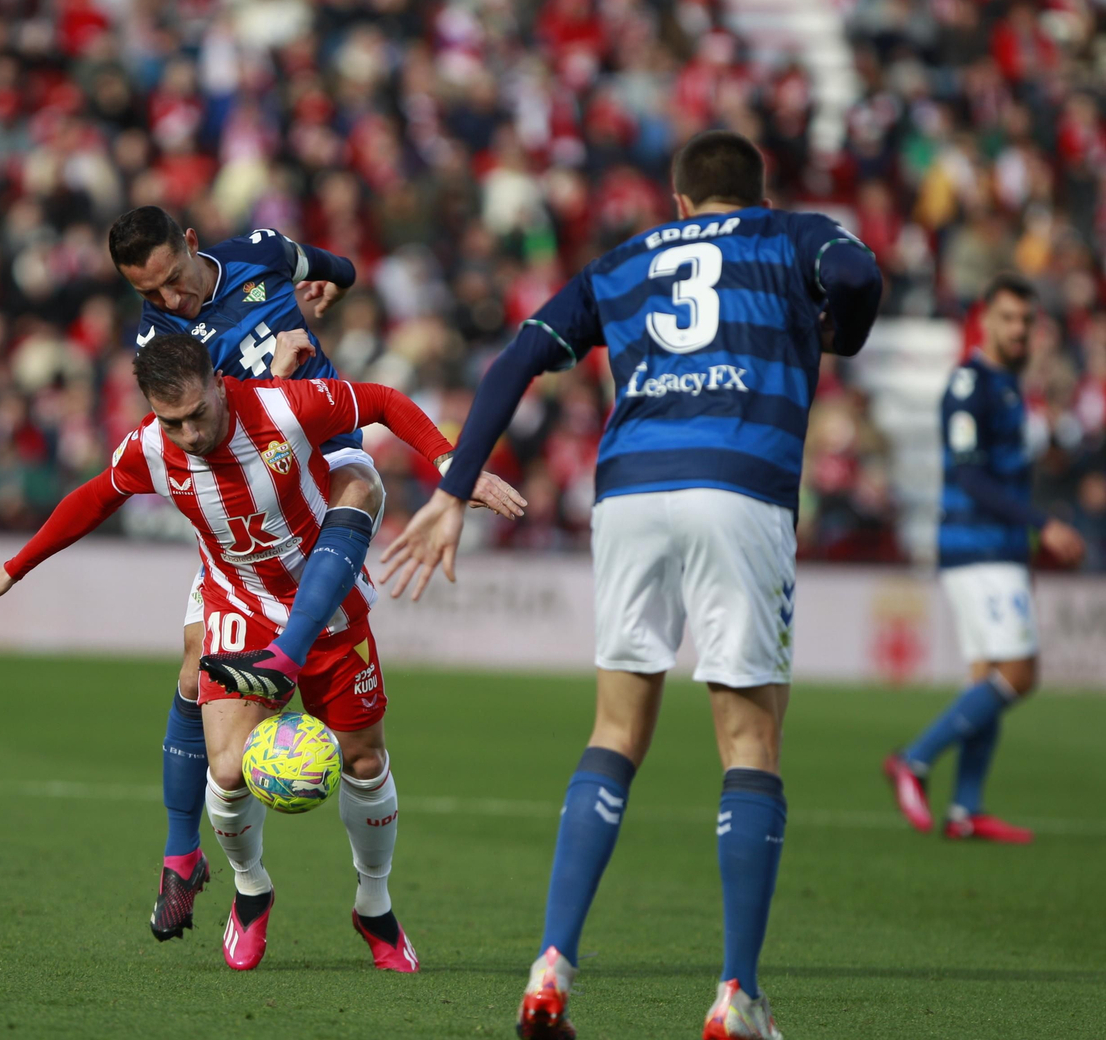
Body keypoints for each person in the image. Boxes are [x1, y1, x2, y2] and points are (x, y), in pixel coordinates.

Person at [379, 131, 883, 1040]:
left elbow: (513, 362)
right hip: (740, 484)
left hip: (632, 494)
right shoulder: (792, 235)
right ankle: (737, 994)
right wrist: (839, 333)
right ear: (753, 195)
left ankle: (551, 967)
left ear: (682, 202)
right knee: (749, 739)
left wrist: (453, 489)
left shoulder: (625, 260)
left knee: (615, 729)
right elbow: (854, 273)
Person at [0, 333, 520, 972]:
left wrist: (452, 466)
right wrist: (15, 568)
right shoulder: (150, 447)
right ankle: (251, 891)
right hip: (241, 611)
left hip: (328, 604)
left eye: (198, 413)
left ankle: (374, 904)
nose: (190, 433)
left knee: (365, 763)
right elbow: (93, 498)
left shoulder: (283, 409)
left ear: (220, 385)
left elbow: (386, 402)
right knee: (226, 774)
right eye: (173, 421)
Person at [106, 205, 525, 942]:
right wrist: (269, 381)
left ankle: (289, 667)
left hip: (326, 456)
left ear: (193, 247)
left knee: (358, 486)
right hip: (253, 491)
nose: (169, 301)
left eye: (174, 280)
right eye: (150, 292)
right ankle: (183, 856)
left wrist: (319, 294)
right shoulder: (159, 337)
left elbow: (342, 270)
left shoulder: (262, 251)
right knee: (191, 666)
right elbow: (205, 417)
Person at [883, 275, 1086, 842]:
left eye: (1026, 321)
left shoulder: (1008, 387)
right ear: (986, 320)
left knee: (989, 678)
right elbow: (968, 474)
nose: (1018, 330)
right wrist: (1042, 526)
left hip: (998, 550)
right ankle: (914, 760)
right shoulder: (970, 384)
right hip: (975, 547)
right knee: (1020, 674)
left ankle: (965, 810)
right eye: (1008, 318)